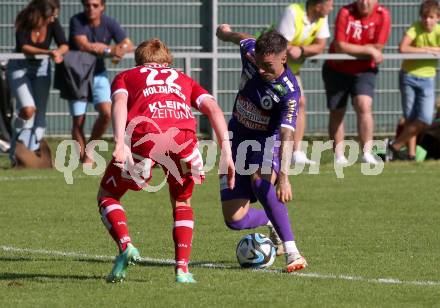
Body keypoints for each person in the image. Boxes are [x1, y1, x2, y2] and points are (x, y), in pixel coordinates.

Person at [97, 39, 234, 283]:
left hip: (144, 137)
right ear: (167, 60)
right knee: (182, 200)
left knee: (107, 194)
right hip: (183, 139)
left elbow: (118, 103)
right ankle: (182, 269)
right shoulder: (183, 79)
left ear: (139, 60)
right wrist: (227, 151)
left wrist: (120, 143)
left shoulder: (126, 76)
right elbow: (212, 107)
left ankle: (126, 245)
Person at [216, 24, 308, 272]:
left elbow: (287, 134)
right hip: (235, 138)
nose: (261, 69)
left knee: (260, 181)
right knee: (234, 220)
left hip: (267, 140)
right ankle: (270, 220)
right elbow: (242, 39)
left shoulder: (289, 92)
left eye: (268, 66)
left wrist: (285, 178)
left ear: (283, 58)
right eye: (259, 63)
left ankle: (292, 253)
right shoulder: (250, 52)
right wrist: (224, 33)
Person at [322, 0, 391, 165]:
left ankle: (367, 153)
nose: (364, 2)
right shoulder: (345, 12)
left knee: (364, 105)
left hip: (365, 70)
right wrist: (368, 49)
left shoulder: (383, 15)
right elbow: (339, 46)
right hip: (337, 69)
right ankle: (339, 156)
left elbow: (378, 47)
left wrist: (354, 47)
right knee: (337, 111)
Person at [69, 0, 134, 164]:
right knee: (78, 120)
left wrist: (120, 49)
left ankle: (88, 154)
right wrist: (111, 50)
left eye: (95, 5)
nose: (91, 8)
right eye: (87, 5)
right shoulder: (77, 20)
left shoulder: (109, 22)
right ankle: (82, 159)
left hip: (99, 73)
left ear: (102, 7)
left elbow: (128, 44)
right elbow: (84, 45)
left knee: (106, 113)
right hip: (78, 75)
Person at [7, 0, 68, 166]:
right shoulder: (24, 22)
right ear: (39, 15)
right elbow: (24, 47)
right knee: (28, 110)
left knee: (39, 113)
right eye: (50, 16)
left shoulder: (53, 23)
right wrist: (48, 52)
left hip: (42, 69)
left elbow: (64, 44)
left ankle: (32, 153)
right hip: (19, 67)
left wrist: (58, 52)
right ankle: (16, 146)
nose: (52, 19)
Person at [277, 0, 333, 165]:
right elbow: (280, 45)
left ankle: (296, 152)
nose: (331, 8)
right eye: (329, 4)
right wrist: (293, 49)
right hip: (273, 68)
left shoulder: (322, 18)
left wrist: (301, 50)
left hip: (292, 71)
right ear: (318, 5)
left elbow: (320, 46)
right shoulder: (293, 12)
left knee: (300, 103)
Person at [386, 0, 440, 161]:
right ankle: (411, 155)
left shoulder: (438, 31)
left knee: (425, 118)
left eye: (431, 17)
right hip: (409, 77)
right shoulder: (415, 28)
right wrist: (427, 50)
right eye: (424, 17)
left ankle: (393, 146)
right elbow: (403, 48)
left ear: (437, 18)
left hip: (427, 79)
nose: (427, 21)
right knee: (410, 117)